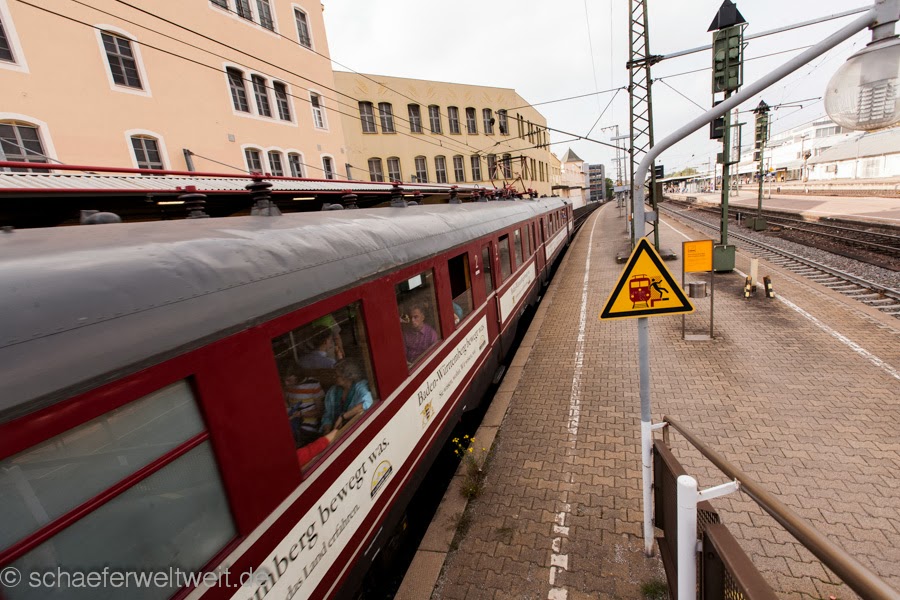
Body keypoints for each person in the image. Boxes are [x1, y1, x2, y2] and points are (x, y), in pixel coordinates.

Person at [321, 359, 374, 433]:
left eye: (337, 376)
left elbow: (367, 403)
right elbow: (328, 415)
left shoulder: (360, 386)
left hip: (355, 428)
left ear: (347, 376)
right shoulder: (332, 391)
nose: (334, 377)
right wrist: (327, 431)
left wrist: (343, 417)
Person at [283, 366, 325, 448]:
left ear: (297, 376)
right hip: (292, 421)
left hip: (307, 424)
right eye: (284, 380)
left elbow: (320, 411)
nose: (286, 383)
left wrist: (300, 414)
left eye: (288, 380)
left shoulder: (313, 384)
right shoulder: (287, 386)